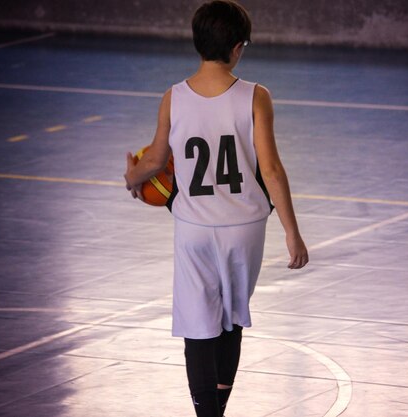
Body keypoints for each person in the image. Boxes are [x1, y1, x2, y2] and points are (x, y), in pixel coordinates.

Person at [123, 1, 308, 415]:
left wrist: (132, 178)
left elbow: (154, 161)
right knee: (232, 319)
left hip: (193, 229)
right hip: (245, 227)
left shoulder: (173, 97)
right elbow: (272, 170)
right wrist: (292, 233)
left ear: (197, 43)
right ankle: (218, 408)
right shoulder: (256, 96)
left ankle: (208, 413)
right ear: (239, 47)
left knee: (198, 327)